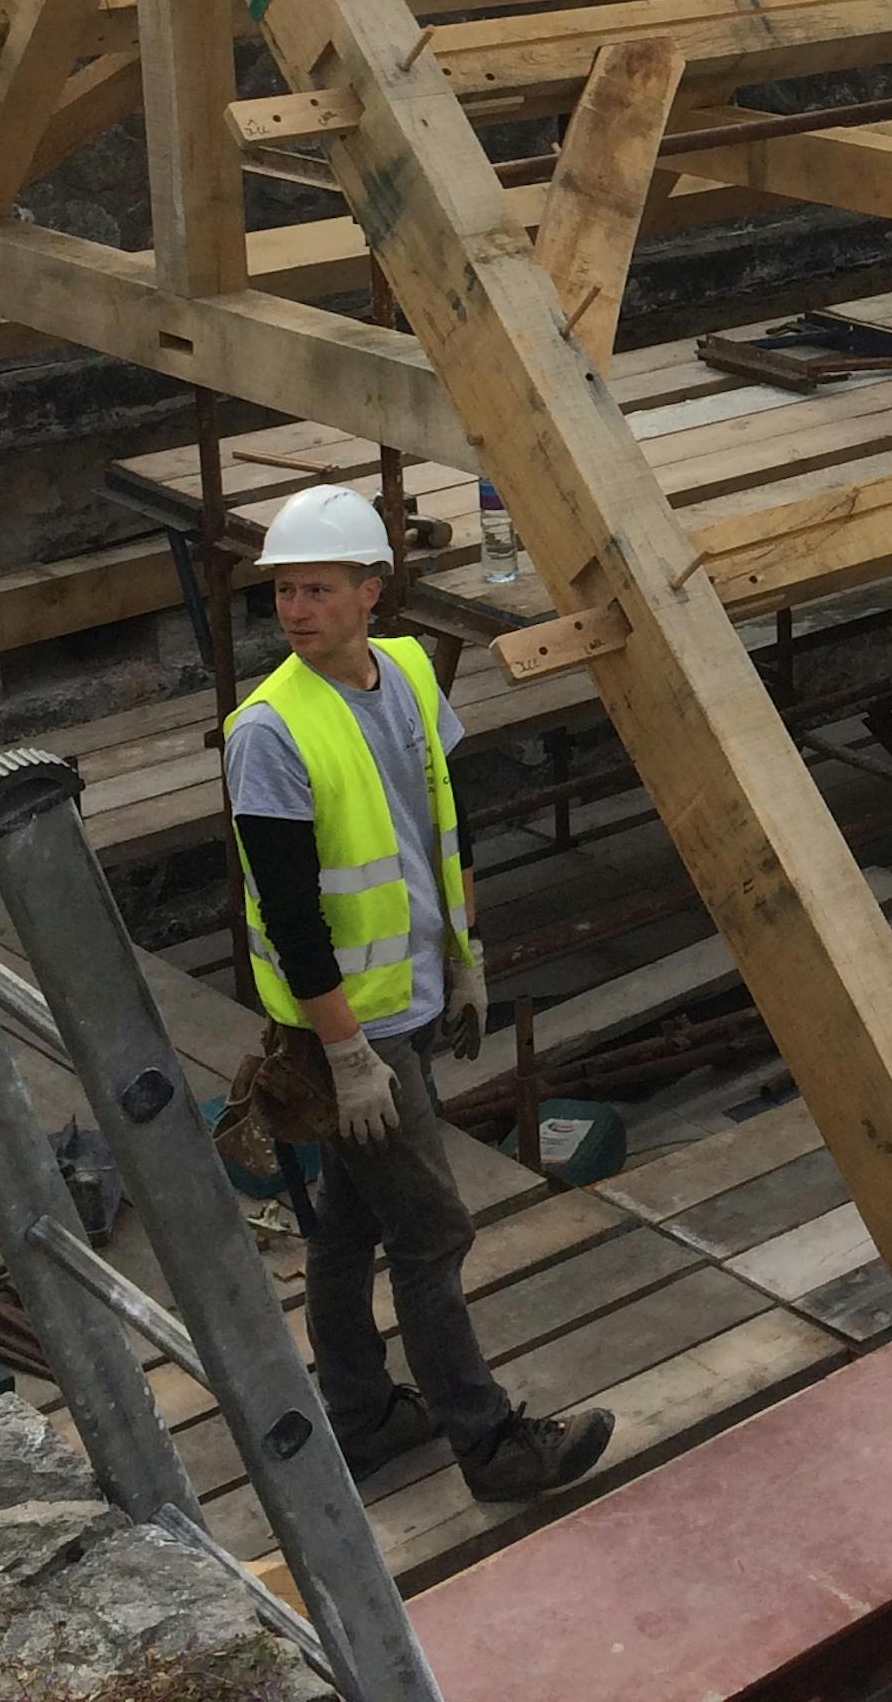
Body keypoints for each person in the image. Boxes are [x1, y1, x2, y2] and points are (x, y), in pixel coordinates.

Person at [224, 483, 611, 1506]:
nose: (295, 610)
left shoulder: (402, 674)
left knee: (349, 1231)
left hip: (412, 993)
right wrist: (346, 1054)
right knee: (433, 1232)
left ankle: (363, 1415)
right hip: (354, 1025)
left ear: (371, 594)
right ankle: (490, 1448)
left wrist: (467, 953)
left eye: (316, 589)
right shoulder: (267, 730)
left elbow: (448, 818)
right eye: (283, 593)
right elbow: (293, 910)